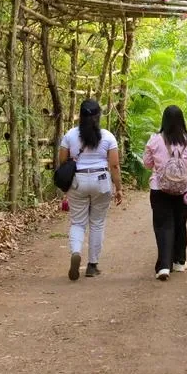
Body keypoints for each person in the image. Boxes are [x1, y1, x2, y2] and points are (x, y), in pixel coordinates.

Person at [58, 99, 123, 280]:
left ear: (81, 115)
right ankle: (92, 265)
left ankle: (76, 252)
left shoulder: (70, 135)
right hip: (101, 180)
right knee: (97, 223)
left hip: (78, 181)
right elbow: (115, 165)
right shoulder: (108, 137)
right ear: (98, 116)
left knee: (78, 222)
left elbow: (62, 161)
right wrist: (119, 188)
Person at [141, 105, 187, 281]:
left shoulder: (155, 140)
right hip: (184, 189)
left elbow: (147, 163)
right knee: (180, 223)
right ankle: (179, 261)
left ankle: (163, 266)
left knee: (162, 225)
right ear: (182, 120)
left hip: (159, 189)